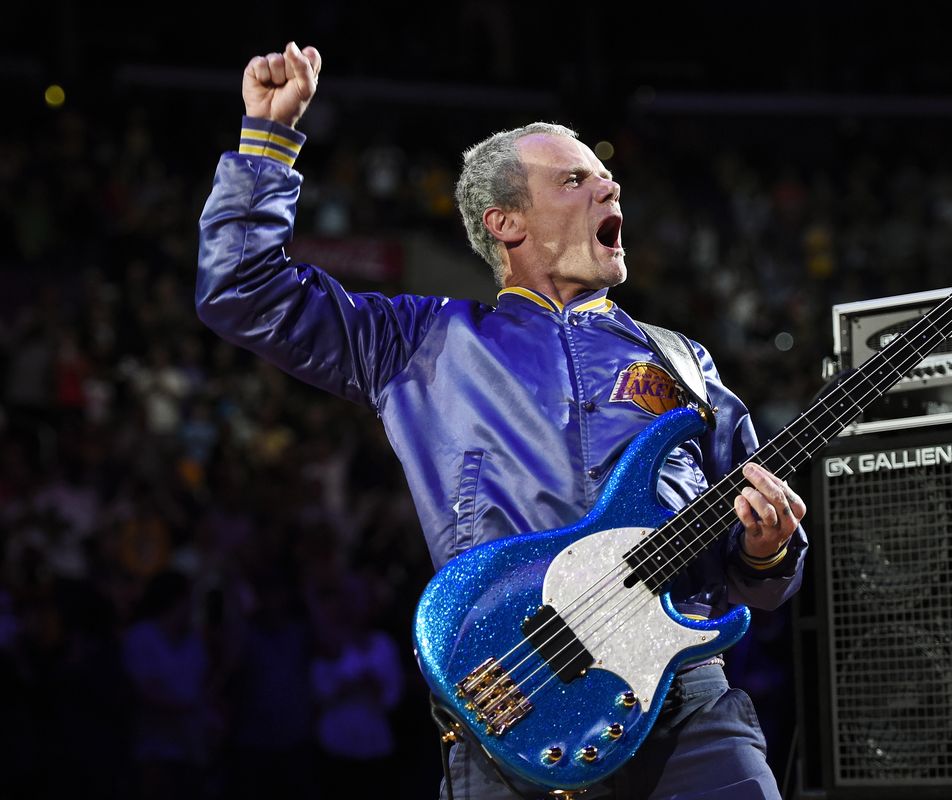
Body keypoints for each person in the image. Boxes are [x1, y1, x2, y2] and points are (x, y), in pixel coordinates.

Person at [197, 41, 808, 800]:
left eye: (607, 175)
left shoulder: (685, 362)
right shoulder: (423, 343)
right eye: (575, 178)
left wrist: (766, 549)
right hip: (520, 702)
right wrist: (267, 141)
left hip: (690, 707)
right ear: (507, 222)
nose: (608, 183)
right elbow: (241, 290)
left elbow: (765, 577)